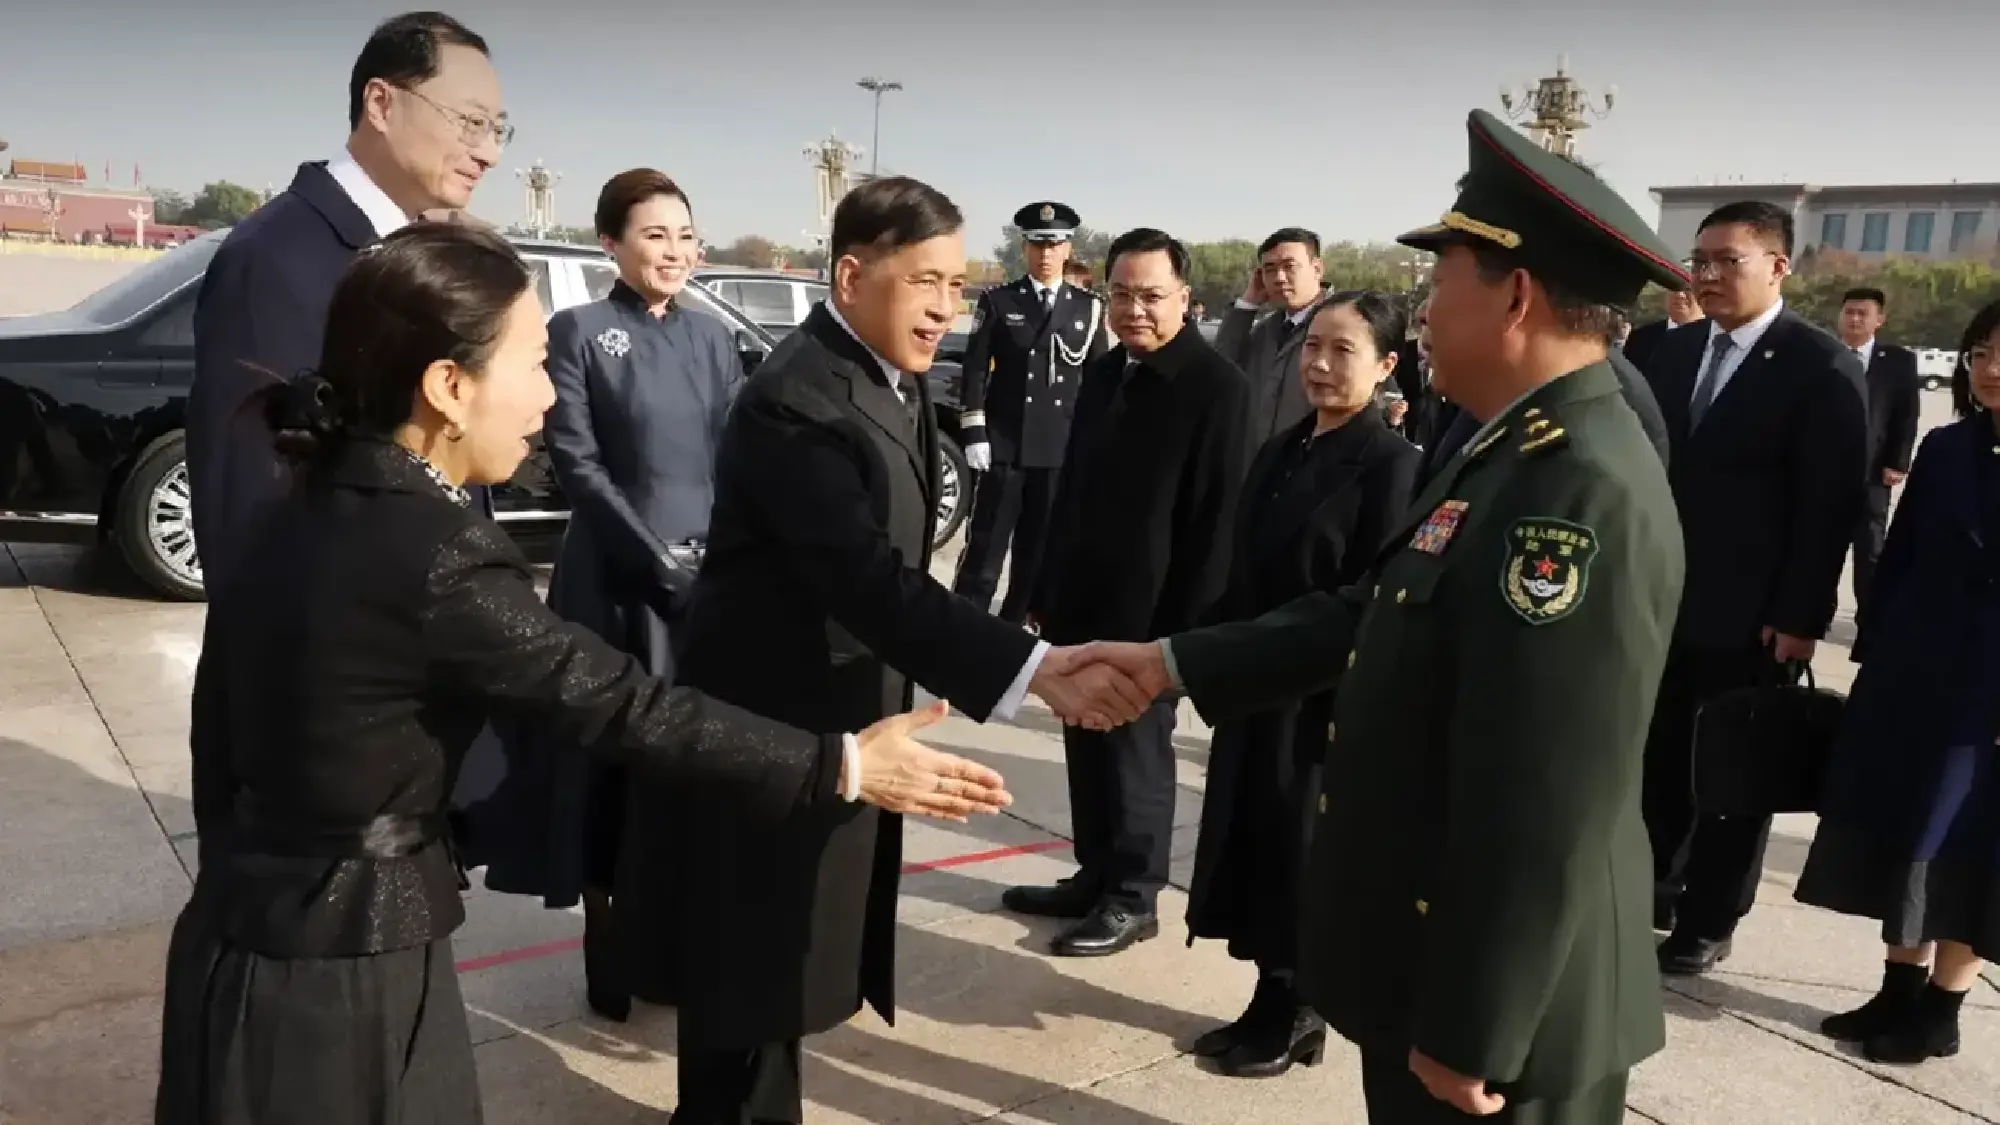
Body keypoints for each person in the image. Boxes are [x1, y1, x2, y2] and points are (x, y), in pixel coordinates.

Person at [153, 222, 1012, 1125]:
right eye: (532, 365)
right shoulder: (436, 552)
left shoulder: (306, 496)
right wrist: (841, 763)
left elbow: (219, 735)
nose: (549, 396)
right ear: (448, 387)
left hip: (246, 934)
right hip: (343, 973)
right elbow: (626, 707)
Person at [1078, 108, 1691, 1124]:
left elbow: (1553, 788)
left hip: (1502, 1019)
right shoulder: (1504, 447)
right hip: (1426, 956)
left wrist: (1477, 1023)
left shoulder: (1579, 486)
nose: (1423, 313)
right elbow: (1378, 606)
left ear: (1515, 295)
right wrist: (1171, 661)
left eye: (1438, 284)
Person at [609, 176, 1147, 1125]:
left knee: (780, 967)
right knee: (747, 976)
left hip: (840, 724)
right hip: (772, 732)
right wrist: (1029, 669)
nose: (945, 306)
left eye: (957, 284)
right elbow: (865, 577)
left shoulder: (886, 374)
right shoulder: (796, 403)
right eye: (924, 280)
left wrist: (1024, 659)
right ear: (852, 277)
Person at [469, 169, 737, 1022]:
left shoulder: (713, 339)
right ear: (610, 244)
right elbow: (578, 465)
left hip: (703, 584)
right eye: (654, 235)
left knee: (690, 763)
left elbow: (733, 460)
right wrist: (657, 562)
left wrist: (721, 561)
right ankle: (609, 943)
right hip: (615, 583)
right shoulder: (579, 331)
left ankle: (677, 941)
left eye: (685, 235)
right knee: (611, 759)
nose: (674, 251)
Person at [1184, 290, 1419, 1078]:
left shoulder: (1391, 465)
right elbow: (1242, 572)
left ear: (1386, 365)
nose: (1318, 364)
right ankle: (1268, 995)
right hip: (1258, 687)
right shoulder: (1283, 449)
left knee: (1300, 858)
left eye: (1342, 350)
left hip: (1319, 703)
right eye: (1313, 346)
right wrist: (1189, 653)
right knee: (1256, 850)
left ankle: (1300, 1008)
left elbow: (1373, 601)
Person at [190, 11, 504, 596]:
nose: (488, 153)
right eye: (470, 122)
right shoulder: (276, 258)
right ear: (381, 103)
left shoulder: (423, 250)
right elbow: (251, 510)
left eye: (496, 129)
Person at [1002, 228, 1250, 957]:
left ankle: (1134, 895)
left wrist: (1182, 638)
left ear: (1185, 298)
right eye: (1120, 294)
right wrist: (1043, 587)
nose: (1134, 309)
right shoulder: (1106, 373)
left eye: (1150, 296)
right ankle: (1096, 872)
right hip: (1082, 600)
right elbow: (1070, 491)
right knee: (1086, 740)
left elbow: (1217, 522)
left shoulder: (1216, 388)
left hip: (1151, 617)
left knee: (1135, 754)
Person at [1637, 201, 1869, 973]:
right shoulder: (1666, 351)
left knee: (1734, 772)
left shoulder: (1818, 365)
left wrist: (1800, 614)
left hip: (1751, 613)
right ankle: (1652, 889)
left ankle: (1710, 916)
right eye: (1698, 261)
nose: (1706, 275)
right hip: (1656, 602)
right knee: (1657, 758)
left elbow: (1829, 505)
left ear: (1778, 265)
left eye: (1725, 261)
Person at [1793, 299, 2000, 1066]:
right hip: (1916, 671)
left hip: (1988, 693)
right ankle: (1897, 986)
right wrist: (1877, 652)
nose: (1991, 368)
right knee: (1903, 830)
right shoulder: (1948, 447)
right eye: (1981, 352)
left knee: (1968, 846)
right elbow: (1901, 553)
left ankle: (1943, 1007)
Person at [952, 201, 1111, 623]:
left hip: (1058, 449)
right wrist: (974, 431)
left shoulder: (1087, 307)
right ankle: (962, 629)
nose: (1045, 254)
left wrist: (1093, 445)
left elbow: (1099, 382)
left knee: (1036, 556)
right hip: (1005, 446)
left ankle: (1012, 634)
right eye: (1037, 245)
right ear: (1024, 248)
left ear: (1067, 249)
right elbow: (974, 370)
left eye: (1054, 245)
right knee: (985, 552)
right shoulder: (999, 300)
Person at [1837, 286, 1921, 612]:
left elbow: (1907, 415)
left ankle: (1869, 619)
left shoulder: (1898, 361)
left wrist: (1898, 462)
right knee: (1820, 549)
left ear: (1879, 320)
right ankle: (1815, 616)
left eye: (1863, 313)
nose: (1855, 319)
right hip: (1825, 473)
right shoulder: (1823, 353)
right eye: (1849, 312)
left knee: (1870, 551)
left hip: (1873, 474)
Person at [1216, 228, 1328, 450]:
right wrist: (1247, 304)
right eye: (1270, 269)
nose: (1279, 278)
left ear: (1317, 269)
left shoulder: (1344, 326)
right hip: (1260, 460)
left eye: (1289, 266)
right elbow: (1223, 370)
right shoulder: (1265, 331)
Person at [1621, 288, 1703, 372]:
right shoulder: (1640, 338)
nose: (1680, 295)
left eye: (1688, 290)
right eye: (1674, 288)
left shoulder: (1709, 340)